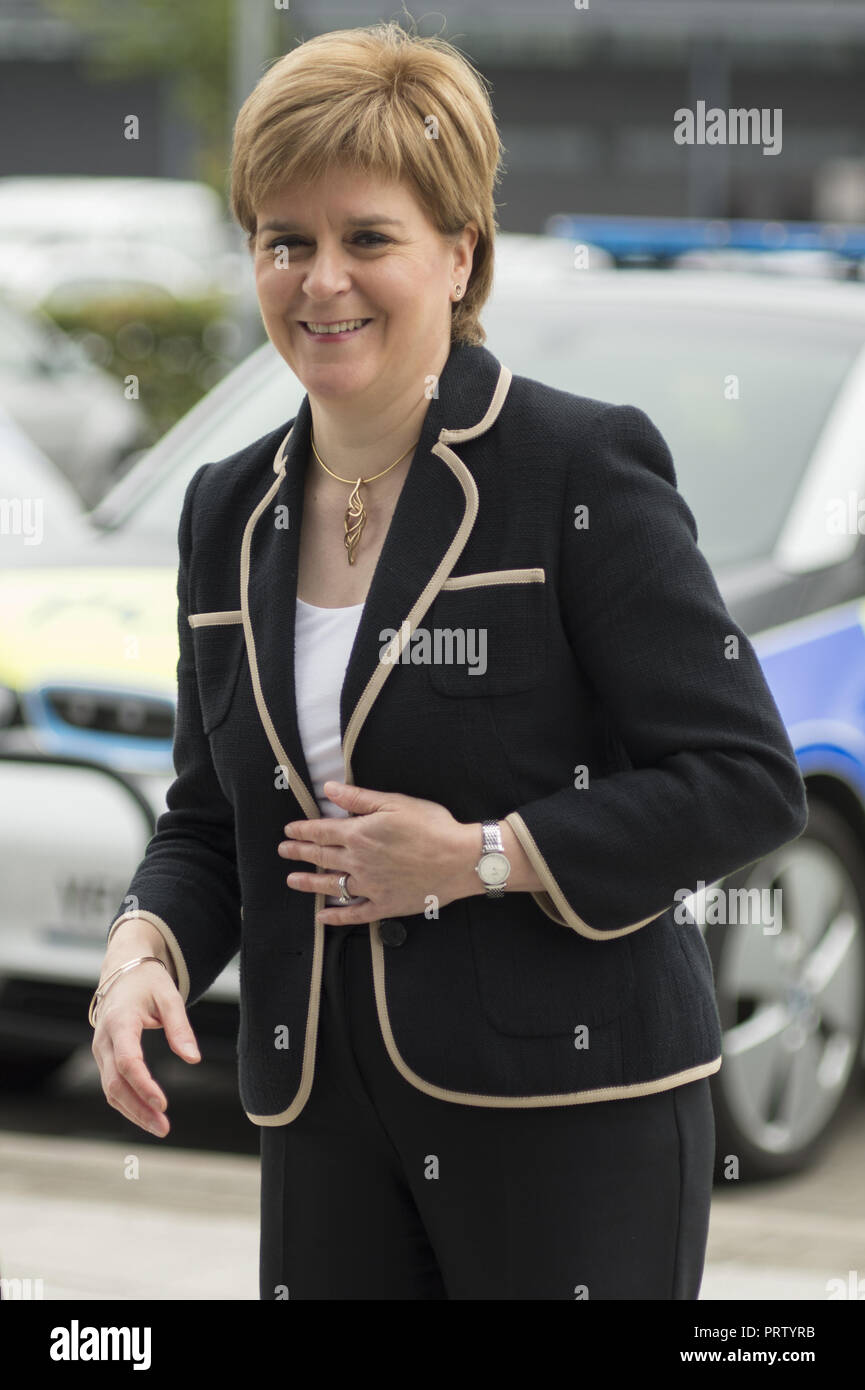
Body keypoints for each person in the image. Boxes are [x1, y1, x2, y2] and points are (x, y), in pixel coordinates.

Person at [90, 21, 808, 1300]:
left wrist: (484, 856)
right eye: (284, 240)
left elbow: (745, 778)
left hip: (570, 1110)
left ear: (459, 250)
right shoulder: (224, 508)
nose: (321, 282)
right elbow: (214, 817)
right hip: (317, 1117)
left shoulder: (575, 468)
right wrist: (145, 948)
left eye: (367, 238)